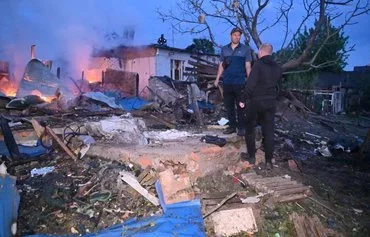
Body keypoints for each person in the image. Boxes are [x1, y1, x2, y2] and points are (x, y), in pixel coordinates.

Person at [239, 43, 282, 170]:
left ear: (261, 52)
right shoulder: (278, 67)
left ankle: (251, 156)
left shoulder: (258, 64)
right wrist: (273, 97)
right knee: (268, 132)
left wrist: (243, 98)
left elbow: (250, 84)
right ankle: (268, 161)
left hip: (256, 102)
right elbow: (279, 87)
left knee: (250, 128)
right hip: (270, 102)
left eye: (258, 52)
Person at [214, 27, 252, 136]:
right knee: (229, 106)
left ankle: (241, 128)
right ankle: (232, 127)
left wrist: (250, 81)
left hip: (239, 82)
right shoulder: (224, 49)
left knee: (241, 106)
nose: (237, 37)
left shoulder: (245, 49)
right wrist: (217, 79)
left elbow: (248, 66)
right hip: (227, 82)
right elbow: (221, 65)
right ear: (231, 35)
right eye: (235, 35)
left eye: (239, 35)